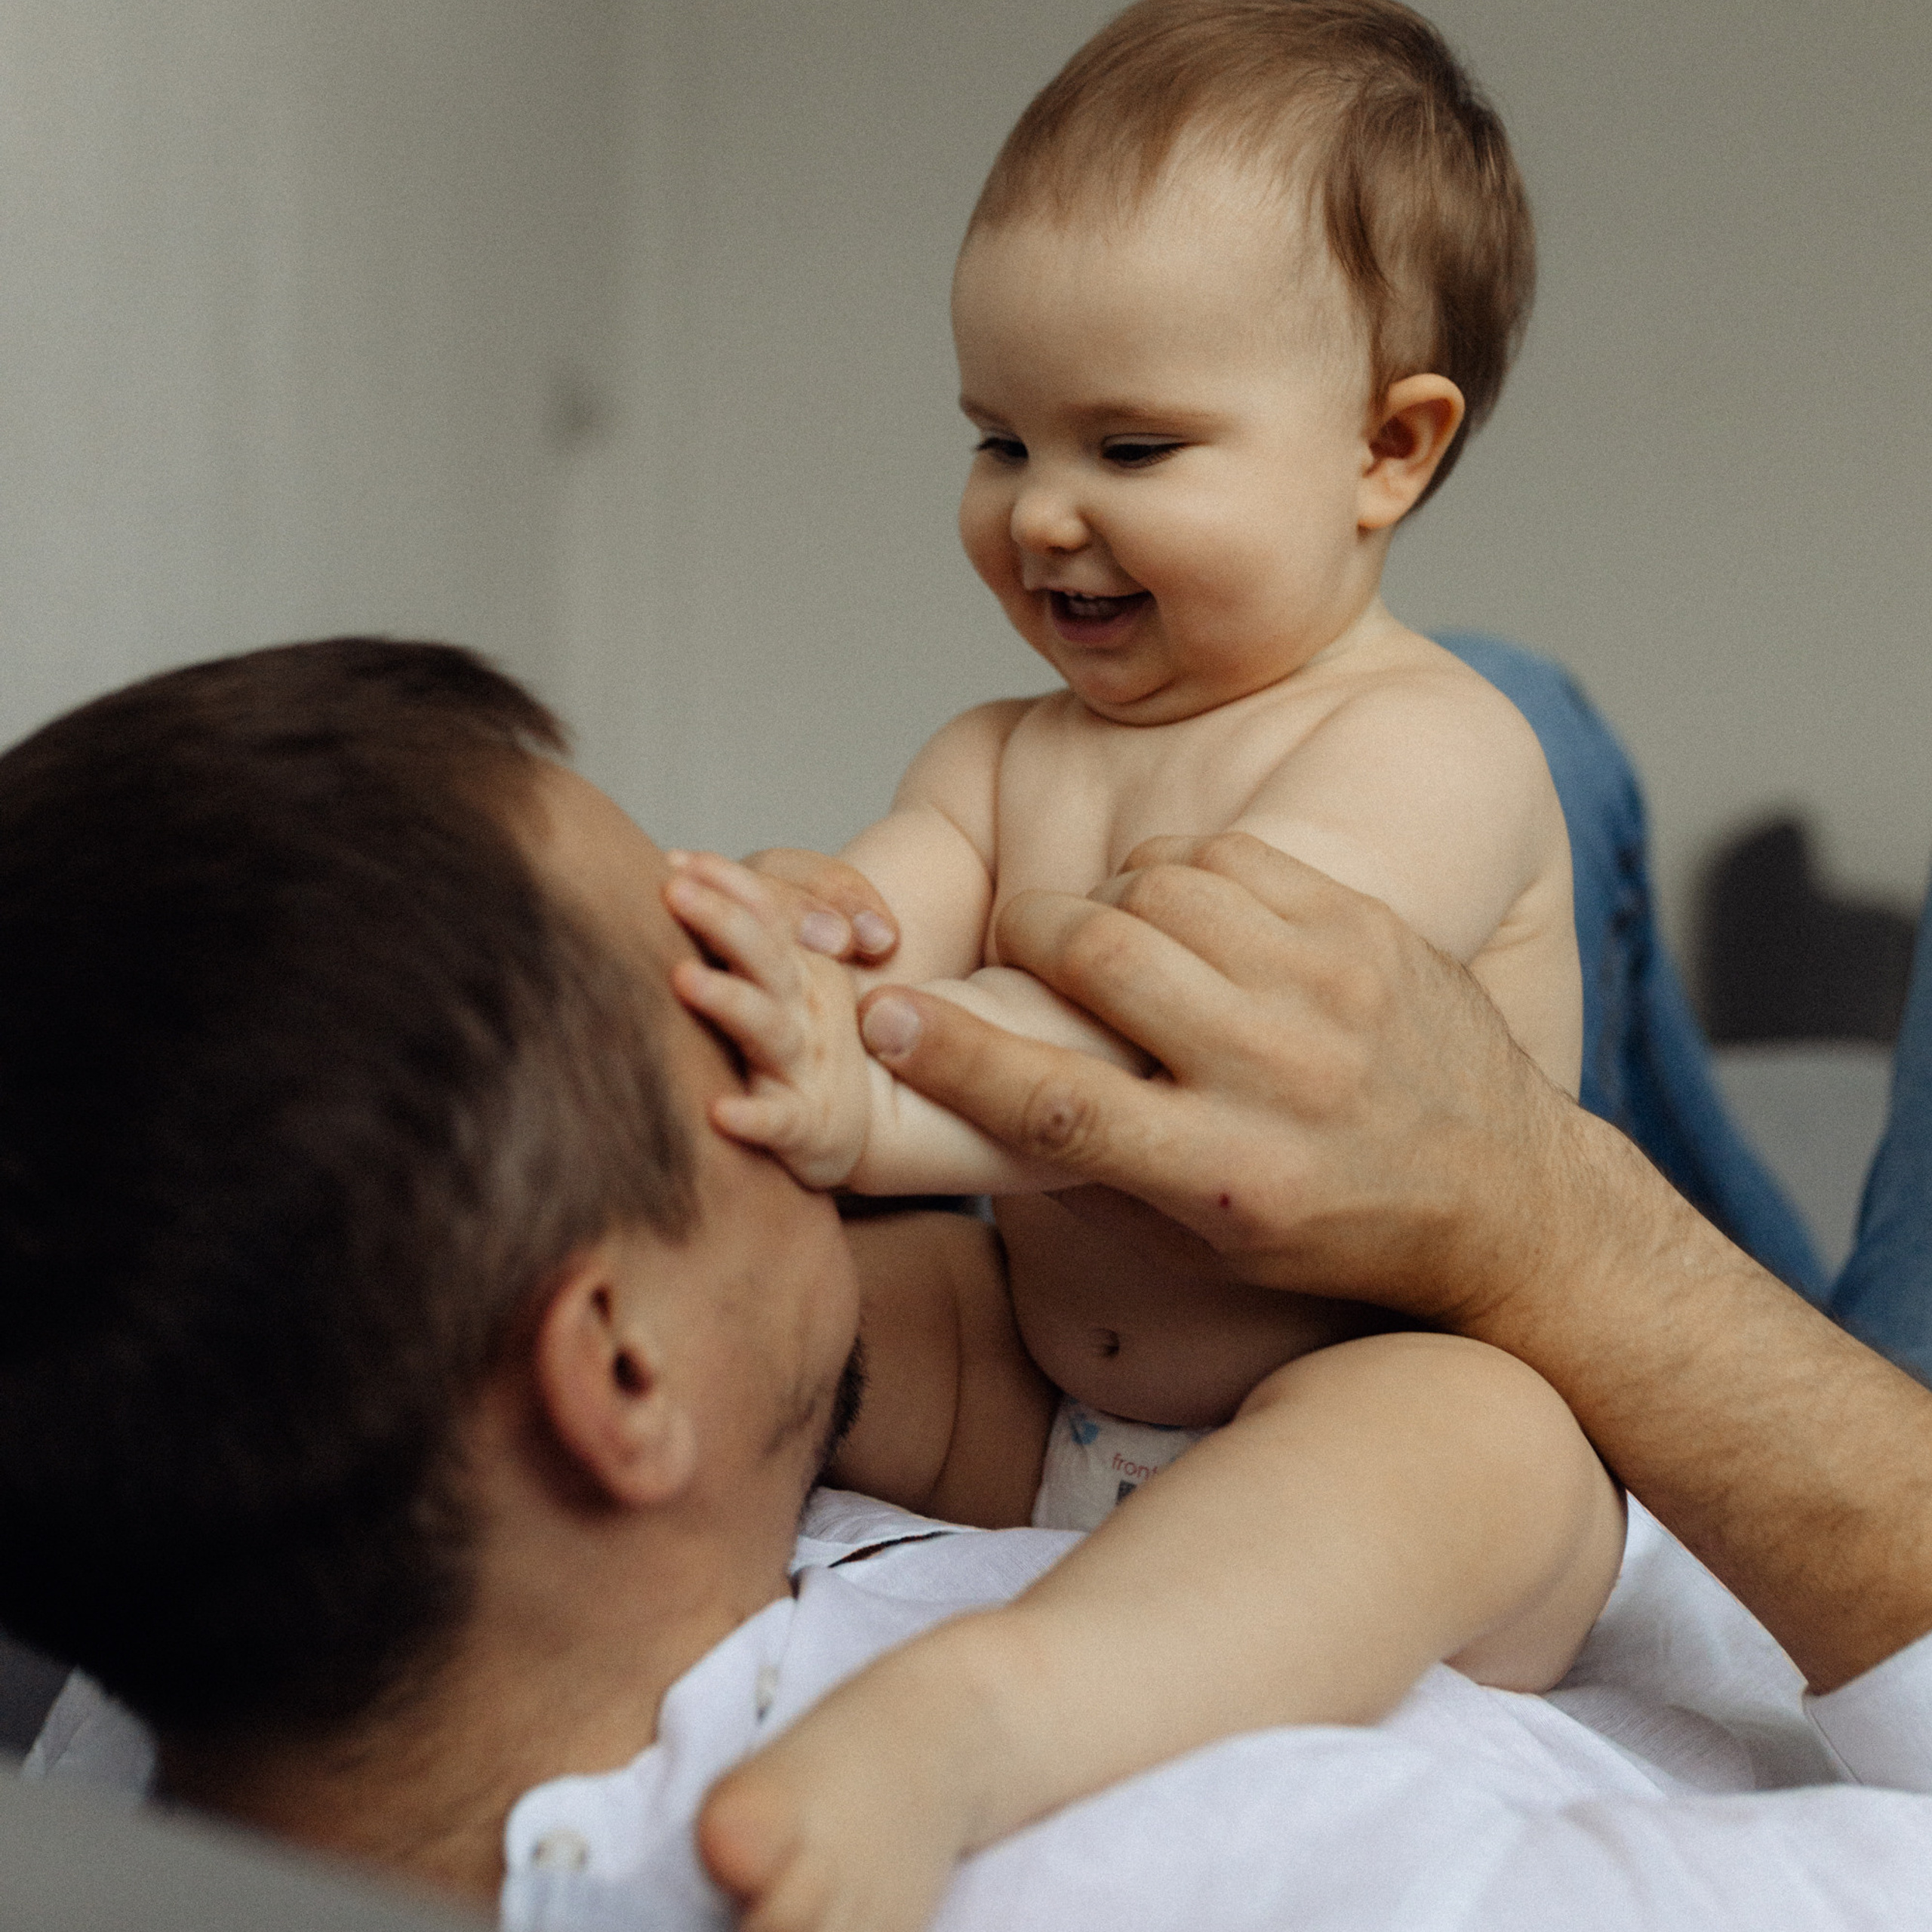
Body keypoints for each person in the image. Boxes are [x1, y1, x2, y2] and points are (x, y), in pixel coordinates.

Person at [8, 638, 1932, 1932]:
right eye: (698, 992)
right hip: (1841, 1581)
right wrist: (1547, 1224)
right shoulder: (1166, 1851)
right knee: (1497, 715)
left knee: (1469, 714)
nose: (767, 964)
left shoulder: (172, 1671)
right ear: (614, 1364)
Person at [728, 0, 1580, 1538]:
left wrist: (852, 1088)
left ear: (1386, 449)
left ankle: (1020, 1699)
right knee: (779, 1293)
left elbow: (1169, 1039)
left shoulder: (1427, 748)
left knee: (1487, 1436)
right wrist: (777, 952)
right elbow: (875, 945)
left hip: (1344, 1424)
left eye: (1127, 450)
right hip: (1033, 1396)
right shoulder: (993, 756)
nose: (1041, 513)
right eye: (1000, 441)